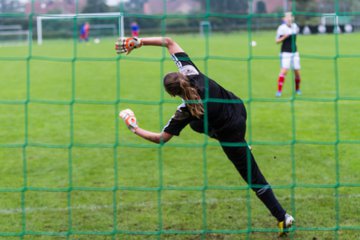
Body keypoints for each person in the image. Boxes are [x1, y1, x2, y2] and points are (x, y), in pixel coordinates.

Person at [115, 36, 294, 236]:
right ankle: (245, 148)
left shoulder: (185, 111)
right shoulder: (191, 72)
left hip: (231, 136)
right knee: (197, 124)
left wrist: (134, 127)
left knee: (254, 178)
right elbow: (168, 41)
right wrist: (138, 42)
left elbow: (161, 138)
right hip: (239, 110)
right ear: (180, 74)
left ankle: (282, 217)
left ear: (173, 94)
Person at [275, 12, 302, 97]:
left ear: (292, 18)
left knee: (297, 72)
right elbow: (277, 41)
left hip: (295, 52)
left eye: (290, 17)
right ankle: (279, 91)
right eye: (287, 17)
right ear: (284, 19)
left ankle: (297, 89)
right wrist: (285, 36)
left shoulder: (295, 27)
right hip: (285, 53)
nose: (289, 18)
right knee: (284, 71)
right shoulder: (281, 28)